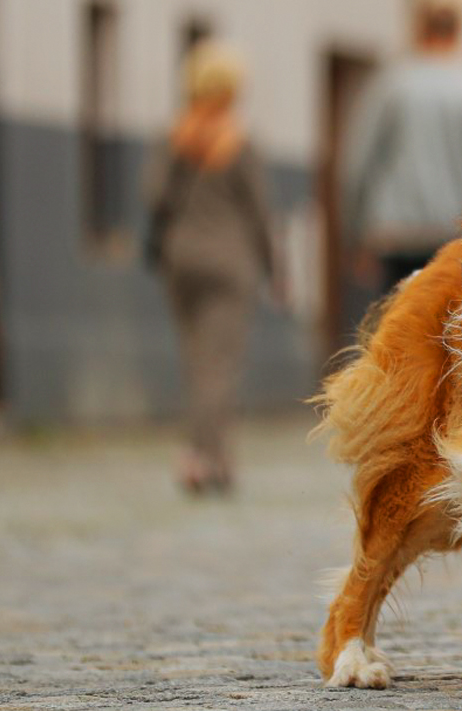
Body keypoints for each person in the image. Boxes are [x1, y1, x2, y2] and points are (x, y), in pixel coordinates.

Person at [146, 41, 277, 495]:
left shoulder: (175, 137)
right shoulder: (239, 143)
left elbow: (154, 196)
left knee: (196, 361)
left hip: (180, 260)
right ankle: (203, 459)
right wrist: (276, 268)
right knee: (219, 365)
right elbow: (260, 213)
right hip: (230, 261)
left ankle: (214, 455)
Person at [341, 2, 462, 294]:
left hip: (395, 235)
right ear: (458, 34)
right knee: (441, 329)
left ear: (420, 32)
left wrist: (355, 232)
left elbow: (359, 163)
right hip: (456, 237)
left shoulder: (392, 85)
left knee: (394, 322)